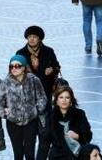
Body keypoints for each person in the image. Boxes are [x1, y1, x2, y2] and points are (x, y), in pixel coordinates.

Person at [15, 25, 60, 160]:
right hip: (27, 99)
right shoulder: (21, 53)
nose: (32, 39)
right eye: (30, 37)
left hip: (44, 97)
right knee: (29, 134)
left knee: (44, 133)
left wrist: (52, 70)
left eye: (34, 37)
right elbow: (14, 72)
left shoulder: (48, 51)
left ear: (39, 39)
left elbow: (57, 66)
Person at [0, 55, 48, 160]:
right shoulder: (6, 82)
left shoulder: (34, 80)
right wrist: (6, 114)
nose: (14, 68)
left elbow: (42, 98)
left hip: (30, 122)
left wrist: (36, 110)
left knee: (29, 153)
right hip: (13, 123)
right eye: (11, 66)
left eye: (17, 66)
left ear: (24, 67)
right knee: (18, 154)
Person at [47, 87, 93, 160]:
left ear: (71, 100)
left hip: (78, 154)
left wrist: (78, 136)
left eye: (67, 97)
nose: (64, 100)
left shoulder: (80, 114)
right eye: (61, 97)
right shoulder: (51, 117)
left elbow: (88, 135)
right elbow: (46, 140)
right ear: (57, 101)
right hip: (58, 155)